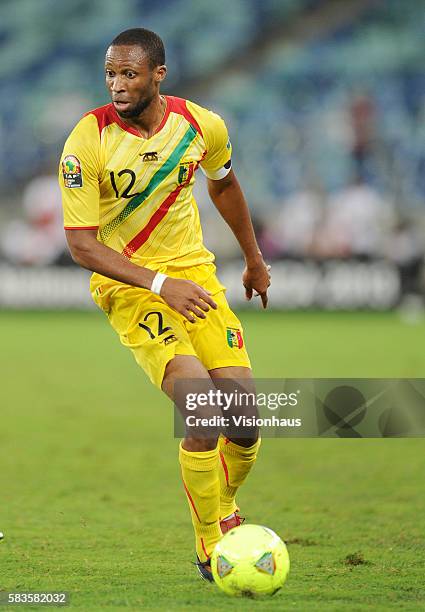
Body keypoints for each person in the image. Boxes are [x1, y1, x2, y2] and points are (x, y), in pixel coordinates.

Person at [59, 28, 270, 581]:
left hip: (195, 278)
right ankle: (210, 543)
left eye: (128, 73)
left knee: (245, 417)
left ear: (158, 74)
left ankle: (222, 505)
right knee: (201, 405)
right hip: (131, 288)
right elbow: (81, 244)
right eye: (110, 73)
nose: (116, 84)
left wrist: (253, 258)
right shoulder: (88, 139)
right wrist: (157, 284)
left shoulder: (202, 125)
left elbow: (224, 183)